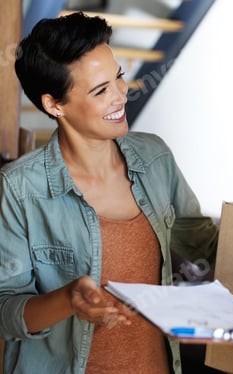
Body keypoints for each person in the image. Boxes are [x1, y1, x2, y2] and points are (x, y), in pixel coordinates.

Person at [0, 11, 218, 374]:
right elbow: (5, 312)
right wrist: (68, 300)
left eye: (117, 77)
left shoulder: (156, 158)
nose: (121, 94)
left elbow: (203, 246)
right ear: (55, 105)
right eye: (101, 90)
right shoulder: (20, 188)